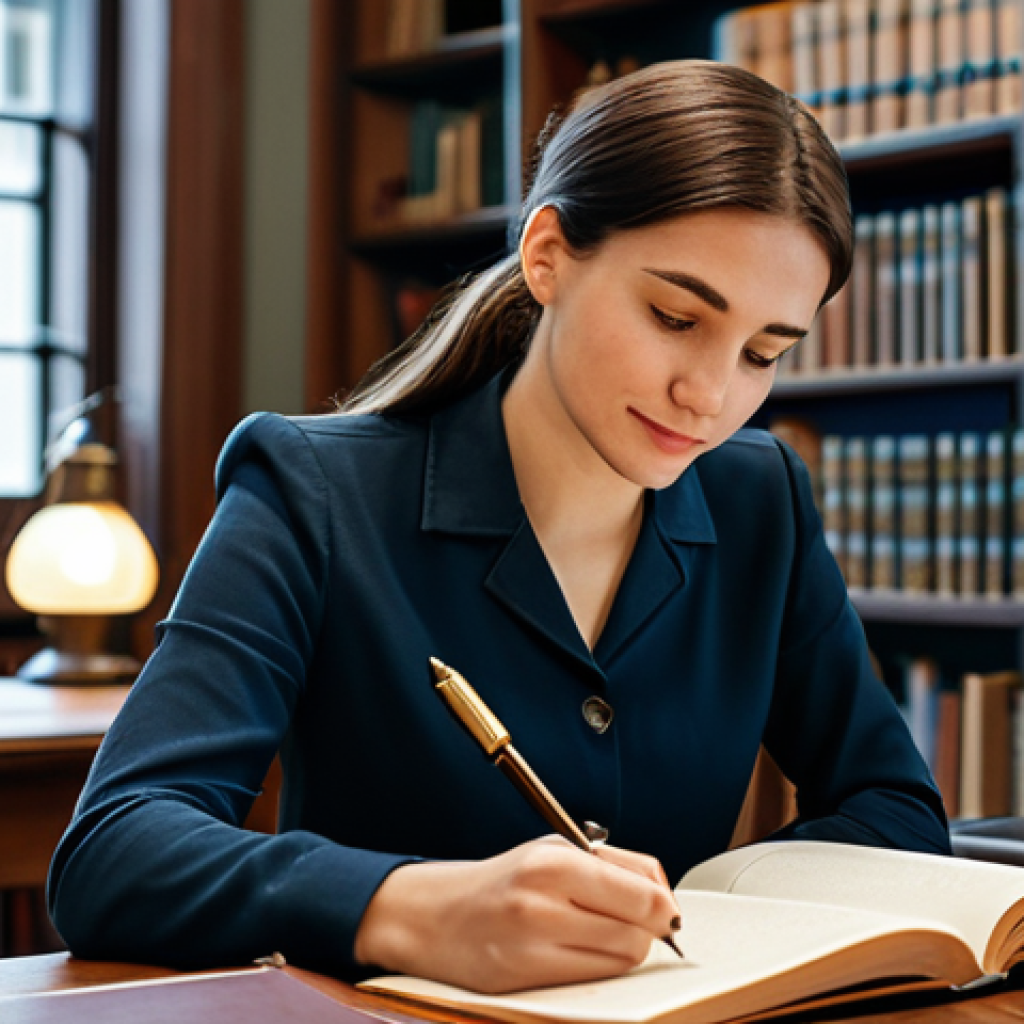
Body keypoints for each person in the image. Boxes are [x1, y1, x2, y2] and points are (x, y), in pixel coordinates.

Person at [47, 60, 950, 995]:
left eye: (765, 352)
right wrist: (415, 908)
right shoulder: (311, 489)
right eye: (675, 317)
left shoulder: (762, 499)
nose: (712, 396)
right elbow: (116, 850)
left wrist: (708, 910)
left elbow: (892, 806)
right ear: (548, 252)